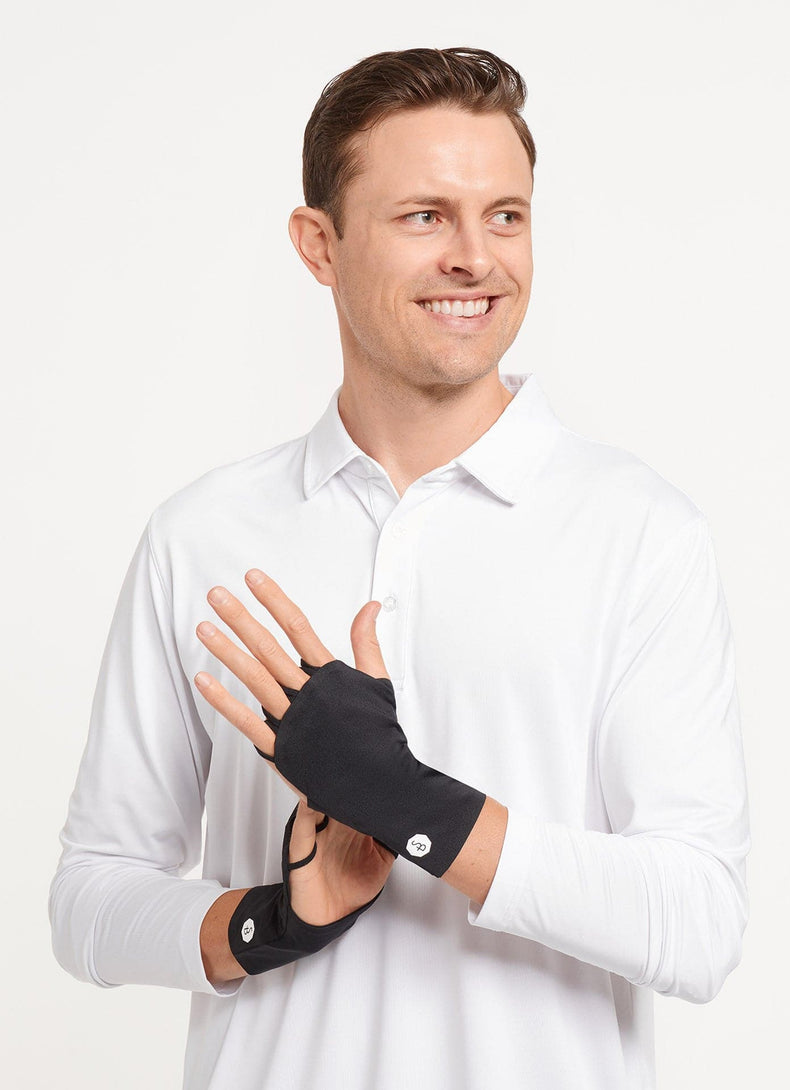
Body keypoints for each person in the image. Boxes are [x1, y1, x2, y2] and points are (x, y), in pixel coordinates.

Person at [49, 46, 750, 1090]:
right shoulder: (202, 533)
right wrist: (275, 919)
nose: (475, 257)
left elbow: (699, 923)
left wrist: (406, 801)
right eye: (425, 216)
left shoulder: (639, 532)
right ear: (319, 245)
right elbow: (88, 903)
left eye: (504, 216)